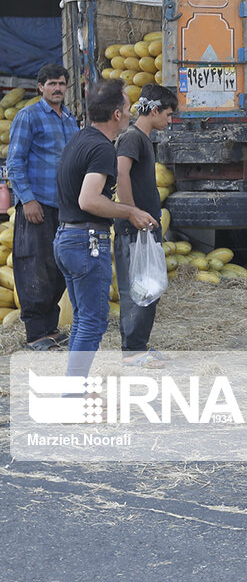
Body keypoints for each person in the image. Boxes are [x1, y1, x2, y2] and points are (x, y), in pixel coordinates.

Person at [55, 80, 156, 378]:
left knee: (84, 321)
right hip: (86, 241)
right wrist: (131, 211)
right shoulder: (101, 149)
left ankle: (75, 387)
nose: (129, 114)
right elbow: (88, 199)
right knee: (93, 322)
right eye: (127, 109)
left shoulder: (80, 138)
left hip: (67, 238)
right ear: (115, 114)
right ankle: (73, 394)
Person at [7, 63, 80, 351]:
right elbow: (14, 162)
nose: (57, 88)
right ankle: (36, 333)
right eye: (51, 84)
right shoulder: (29, 117)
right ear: (40, 87)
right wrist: (28, 200)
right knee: (34, 266)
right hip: (38, 205)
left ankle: (51, 329)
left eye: (61, 83)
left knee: (58, 266)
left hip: (65, 207)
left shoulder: (70, 119)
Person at [113, 84, 178, 369]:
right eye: (168, 114)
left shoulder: (142, 139)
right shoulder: (131, 138)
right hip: (133, 228)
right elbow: (120, 172)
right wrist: (131, 212)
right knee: (135, 290)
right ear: (154, 110)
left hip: (143, 227)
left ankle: (139, 345)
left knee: (148, 288)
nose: (169, 120)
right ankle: (133, 351)